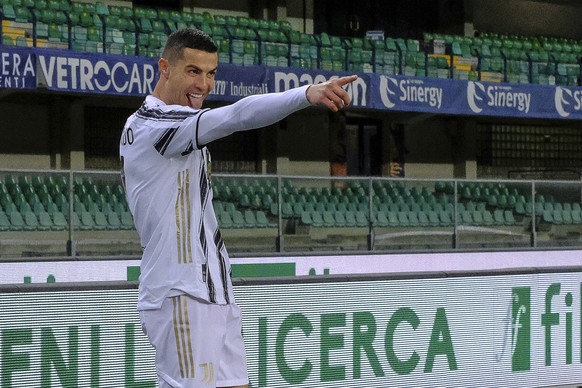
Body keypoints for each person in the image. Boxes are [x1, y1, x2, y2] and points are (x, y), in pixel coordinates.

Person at [119, 28, 357, 388]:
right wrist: (307, 94)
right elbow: (237, 116)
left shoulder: (177, 124)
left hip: (214, 289)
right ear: (165, 68)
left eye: (211, 73)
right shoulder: (154, 127)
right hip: (180, 293)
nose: (204, 84)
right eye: (194, 71)